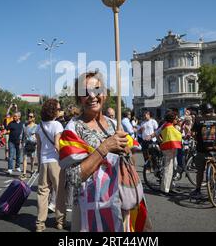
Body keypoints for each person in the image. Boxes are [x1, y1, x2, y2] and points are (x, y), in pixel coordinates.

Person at [59, 71, 150, 232]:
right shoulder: (73, 129)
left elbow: (130, 166)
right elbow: (73, 178)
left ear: (105, 94)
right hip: (90, 213)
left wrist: (127, 153)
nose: (92, 96)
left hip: (122, 207)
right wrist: (104, 148)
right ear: (79, 99)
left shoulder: (116, 125)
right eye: (85, 93)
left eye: (97, 90)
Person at [35, 99, 66, 232]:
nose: (60, 111)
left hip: (43, 161)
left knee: (43, 192)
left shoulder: (39, 126)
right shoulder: (57, 125)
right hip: (56, 162)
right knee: (59, 192)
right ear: (53, 111)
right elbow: (58, 146)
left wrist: (38, 163)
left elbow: (39, 148)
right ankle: (60, 222)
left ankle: (40, 223)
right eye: (58, 109)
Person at [156, 110, 182, 195]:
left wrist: (161, 141)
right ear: (172, 119)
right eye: (176, 118)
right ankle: (165, 189)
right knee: (168, 168)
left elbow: (157, 134)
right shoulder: (168, 126)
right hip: (169, 149)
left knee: (173, 167)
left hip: (171, 149)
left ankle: (170, 187)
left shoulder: (167, 125)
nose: (177, 120)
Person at [6, 111, 25, 175]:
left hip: (19, 142)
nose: (14, 117)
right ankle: (10, 169)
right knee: (11, 155)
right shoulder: (11, 123)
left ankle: (17, 166)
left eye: (15, 116)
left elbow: (24, 132)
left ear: (19, 117)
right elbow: (6, 129)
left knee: (18, 155)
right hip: (11, 141)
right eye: (14, 116)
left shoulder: (22, 124)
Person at [21, 113, 37, 180]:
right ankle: (24, 173)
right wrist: (21, 142)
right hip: (26, 144)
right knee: (25, 158)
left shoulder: (36, 126)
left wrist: (37, 143)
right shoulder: (24, 125)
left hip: (33, 144)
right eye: (28, 116)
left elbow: (38, 136)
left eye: (31, 116)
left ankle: (32, 171)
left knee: (32, 158)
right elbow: (22, 135)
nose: (29, 117)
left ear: (34, 118)